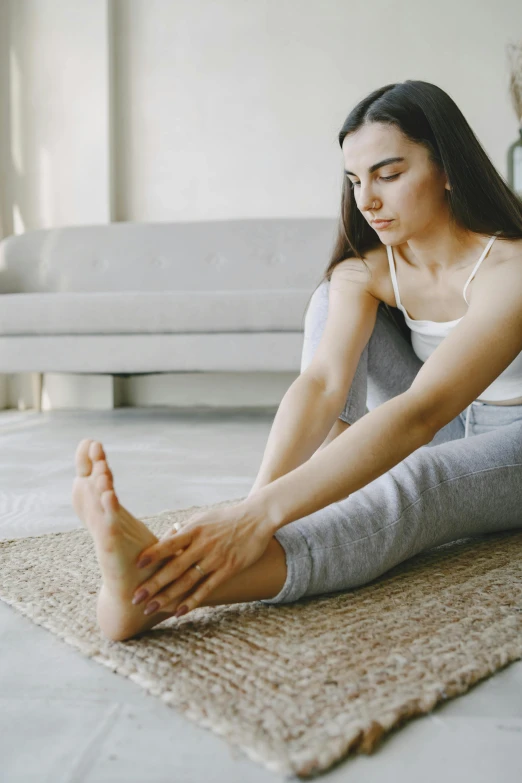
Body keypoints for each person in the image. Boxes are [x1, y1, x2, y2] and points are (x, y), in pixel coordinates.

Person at [72, 80, 522, 642]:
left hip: (511, 436)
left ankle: (155, 596)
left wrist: (257, 520)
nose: (367, 201)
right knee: (330, 293)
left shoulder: (511, 271)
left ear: (449, 168)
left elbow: (421, 412)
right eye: (355, 180)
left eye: (389, 173)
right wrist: (255, 506)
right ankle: (182, 566)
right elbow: (323, 383)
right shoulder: (370, 269)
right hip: (442, 417)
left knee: (419, 478)